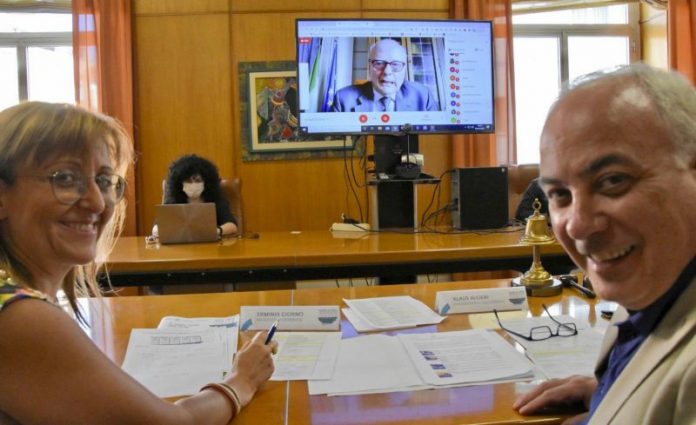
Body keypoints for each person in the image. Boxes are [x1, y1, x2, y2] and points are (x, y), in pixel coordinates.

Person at [0, 102, 276, 424]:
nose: (97, 202)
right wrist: (242, 379)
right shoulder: (20, 319)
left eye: (104, 180)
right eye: (65, 179)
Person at [513, 64, 696, 424]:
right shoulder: (655, 278)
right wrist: (610, 392)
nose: (578, 225)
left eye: (613, 181)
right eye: (560, 194)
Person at [331, 38, 439, 112]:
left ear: (405, 68)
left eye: (395, 64)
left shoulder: (423, 96)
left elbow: (434, 137)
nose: (387, 71)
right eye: (379, 63)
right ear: (369, 67)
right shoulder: (343, 99)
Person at [152, 154, 238, 239]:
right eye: (188, 181)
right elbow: (157, 226)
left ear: (206, 182)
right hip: (181, 245)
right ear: (180, 183)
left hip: (210, 244)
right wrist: (158, 231)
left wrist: (216, 231)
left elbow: (232, 225)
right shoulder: (173, 199)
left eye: (198, 180)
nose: (193, 184)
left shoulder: (216, 198)